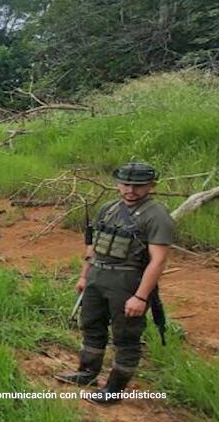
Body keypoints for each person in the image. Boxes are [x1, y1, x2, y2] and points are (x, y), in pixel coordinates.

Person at [55, 162, 174, 404]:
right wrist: (84, 276)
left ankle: (114, 389)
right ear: (118, 183)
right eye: (125, 184)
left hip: (127, 280)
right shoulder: (108, 208)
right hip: (98, 276)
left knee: (126, 336)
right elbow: (94, 246)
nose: (130, 189)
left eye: (138, 185)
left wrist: (140, 296)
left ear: (151, 186)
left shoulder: (157, 215)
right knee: (91, 325)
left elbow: (158, 261)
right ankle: (87, 372)